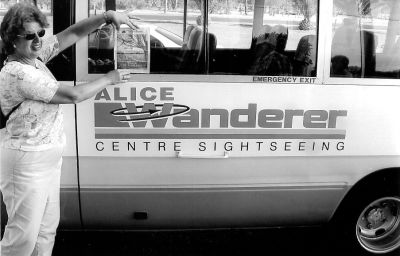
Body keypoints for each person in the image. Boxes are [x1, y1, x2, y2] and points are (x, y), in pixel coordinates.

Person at [0, 3, 136, 256]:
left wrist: (107, 17)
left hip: (48, 159)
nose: (38, 40)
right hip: (26, 163)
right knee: (21, 239)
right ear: (12, 40)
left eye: (40, 32)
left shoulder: (34, 58)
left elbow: (71, 34)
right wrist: (109, 78)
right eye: (29, 36)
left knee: (45, 232)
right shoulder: (17, 72)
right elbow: (73, 95)